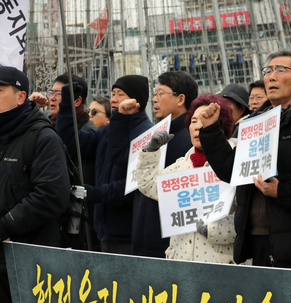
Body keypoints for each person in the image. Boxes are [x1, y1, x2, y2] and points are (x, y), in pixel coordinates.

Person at [199, 50, 291, 269]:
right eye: (268, 71)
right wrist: (212, 130)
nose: (271, 76)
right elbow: (230, 171)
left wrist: (283, 192)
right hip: (255, 239)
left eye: (281, 70)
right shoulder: (251, 124)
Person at [0, 67, 70, 303]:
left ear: (21, 94)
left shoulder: (41, 136)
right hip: (1, 255)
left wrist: (6, 225)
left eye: (0, 89)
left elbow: (51, 195)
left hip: (33, 255)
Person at [136, 94, 236, 263]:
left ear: (221, 126)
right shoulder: (183, 164)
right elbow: (149, 185)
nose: (197, 126)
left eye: (205, 119)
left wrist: (213, 229)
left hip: (221, 266)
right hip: (181, 263)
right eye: (194, 121)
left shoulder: (236, 161)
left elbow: (249, 217)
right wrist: (150, 152)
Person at [57, 74, 151, 254]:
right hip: (103, 231)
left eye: (120, 94)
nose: (114, 99)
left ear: (136, 99)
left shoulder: (146, 134)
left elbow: (139, 185)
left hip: (129, 234)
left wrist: (97, 193)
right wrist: (67, 105)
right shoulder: (107, 132)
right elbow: (71, 143)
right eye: (113, 93)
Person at [129, 71, 198, 258]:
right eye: (155, 94)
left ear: (180, 98)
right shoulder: (154, 135)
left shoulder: (191, 139)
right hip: (142, 233)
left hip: (170, 242)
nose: (154, 99)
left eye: (161, 93)